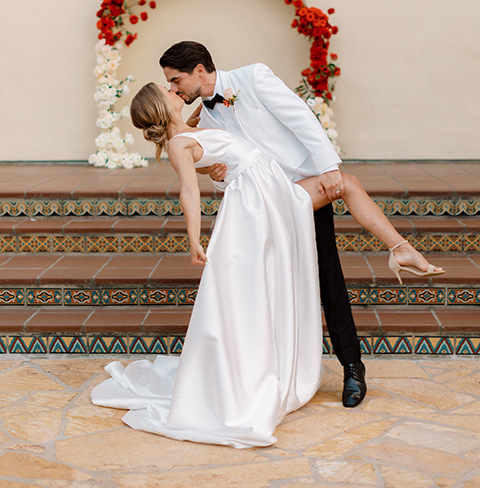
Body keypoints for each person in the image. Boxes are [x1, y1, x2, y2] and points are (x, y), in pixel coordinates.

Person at [159, 42, 445, 408]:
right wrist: (217, 176)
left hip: (305, 191)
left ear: (200, 70)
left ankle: (353, 369)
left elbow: (300, 116)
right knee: (275, 288)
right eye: (169, 85)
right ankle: (273, 373)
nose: (174, 89)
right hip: (264, 206)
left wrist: (327, 167)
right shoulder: (203, 119)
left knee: (329, 280)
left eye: (176, 80)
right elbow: (226, 173)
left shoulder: (253, 77)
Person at [92, 82, 324, 448]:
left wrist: (214, 166)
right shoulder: (177, 144)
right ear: (162, 107)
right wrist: (195, 238)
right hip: (249, 206)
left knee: (264, 280)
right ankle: (247, 375)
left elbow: (210, 160)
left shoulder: (192, 127)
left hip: (263, 190)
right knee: (245, 290)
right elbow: (188, 190)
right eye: (166, 90)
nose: (173, 89)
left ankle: (262, 362)